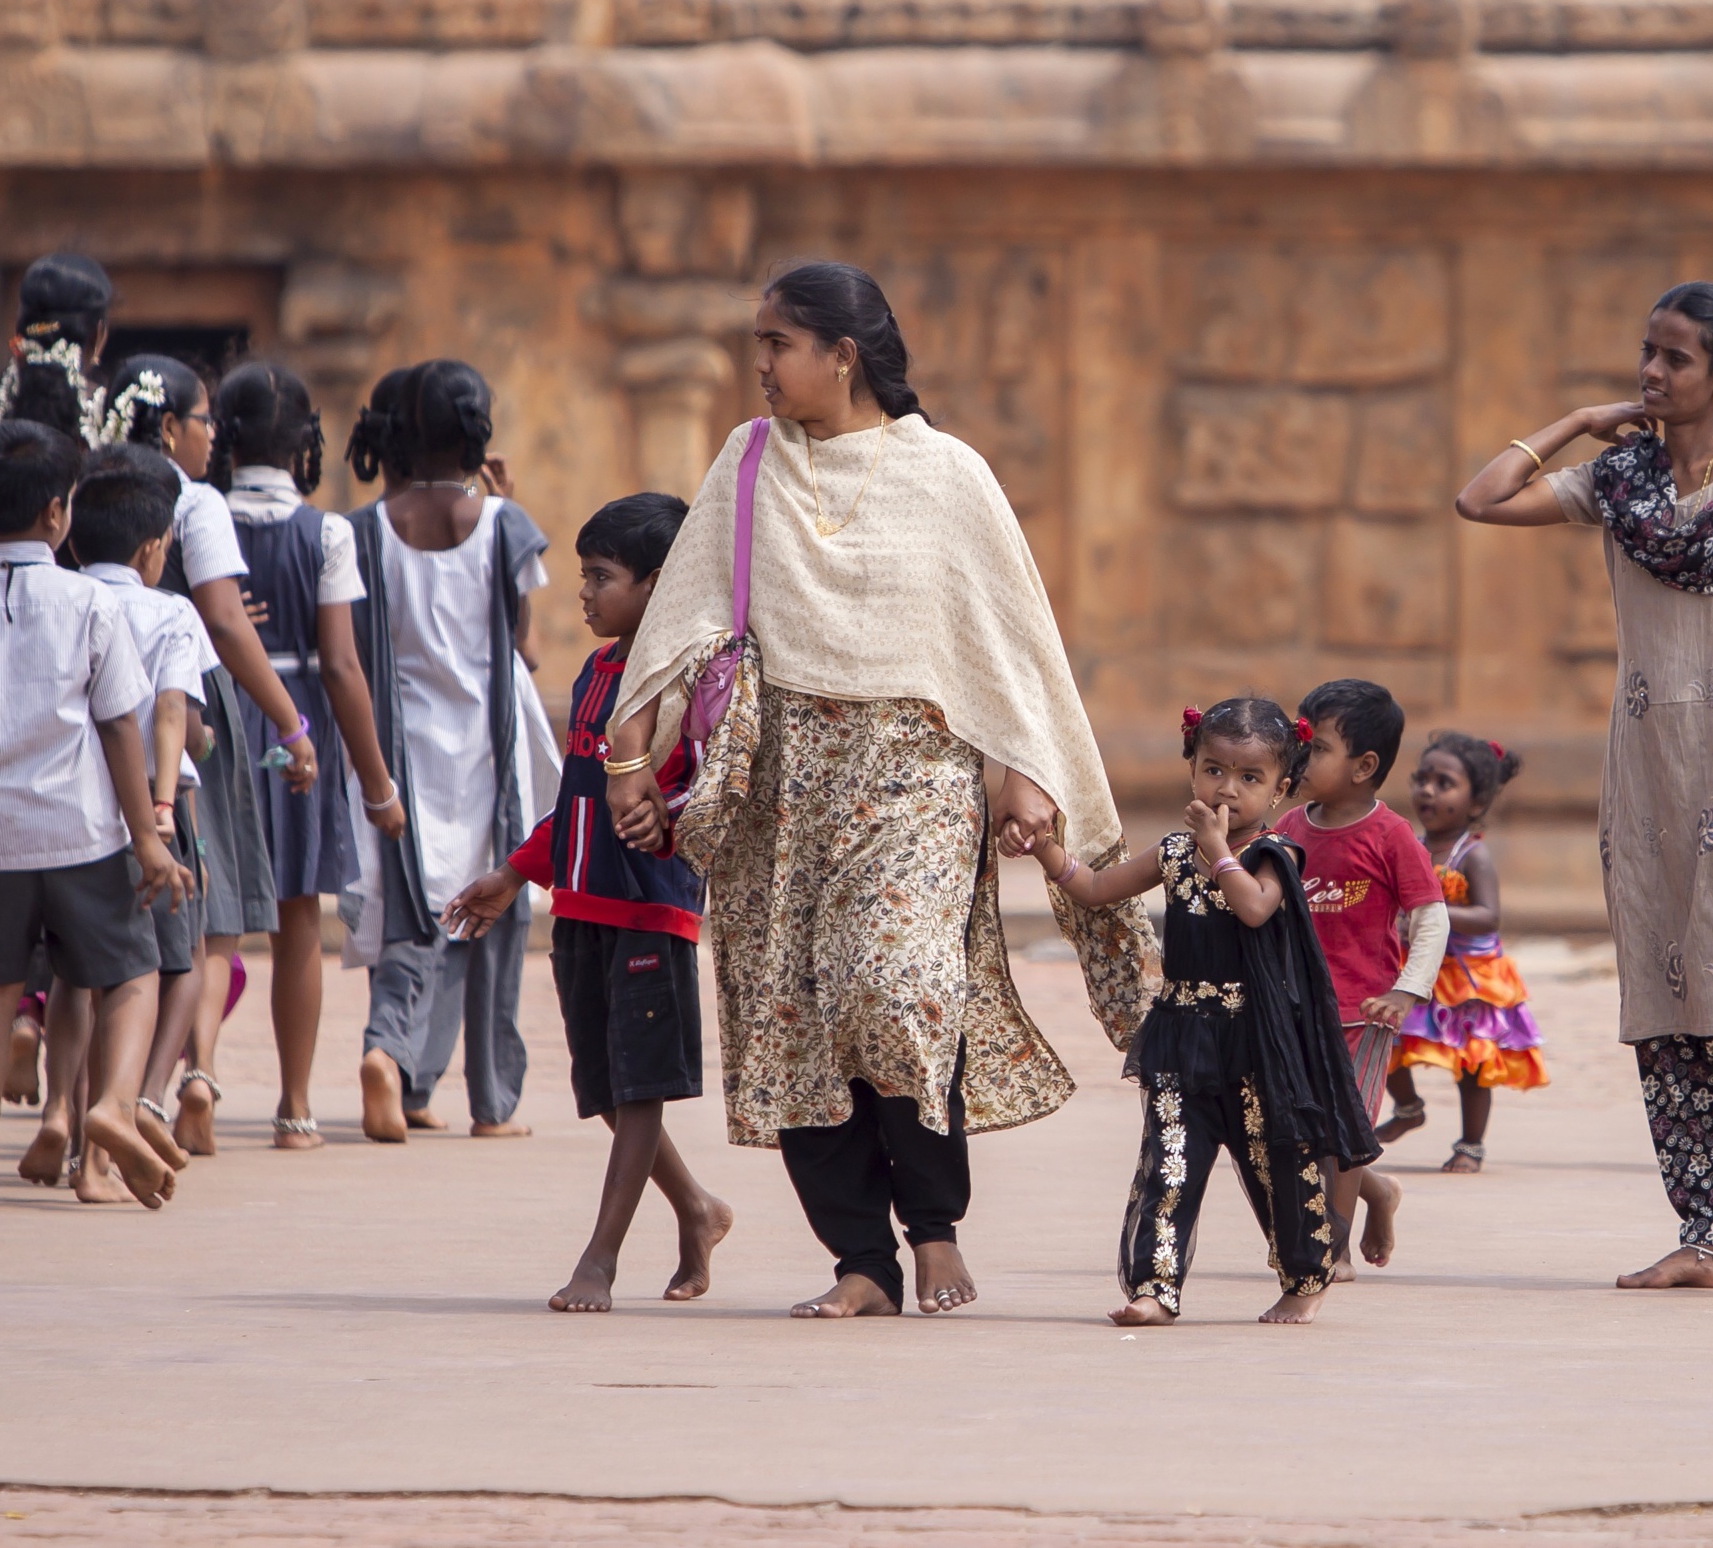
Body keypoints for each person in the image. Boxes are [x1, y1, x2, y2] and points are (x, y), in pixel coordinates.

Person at [600, 261, 1155, 1321]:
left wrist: (1021, 770)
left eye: (777, 343)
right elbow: (681, 618)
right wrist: (631, 760)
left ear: (842, 353)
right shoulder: (748, 459)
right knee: (794, 1018)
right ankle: (861, 1258)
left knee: (895, 989)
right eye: (757, 342)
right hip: (780, 785)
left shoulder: (947, 473)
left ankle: (933, 1230)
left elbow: (1008, 643)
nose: (757, 364)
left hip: (916, 777)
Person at [1455, 280, 1713, 1288]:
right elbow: (1480, 499)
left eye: (1676, 358)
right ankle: (1705, 1238)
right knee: (1661, 999)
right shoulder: (1623, 479)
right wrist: (1580, 422)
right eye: (1647, 351)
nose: (1652, 371)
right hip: (1644, 775)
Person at [443, 492, 735, 1313]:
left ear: (658, 586)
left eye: (600, 577)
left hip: (648, 909)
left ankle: (599, 1259)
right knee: (607, 1087)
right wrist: (517, 872)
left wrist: (668, 825)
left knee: (639, 1088)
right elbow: (577, 798)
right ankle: (698, 1209)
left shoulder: (691, 681)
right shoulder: (598, 671)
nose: (583, 592)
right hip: (580, 907)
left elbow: (705, 793)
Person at [1034, 698, 1382, 1326]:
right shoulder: (1172, 853)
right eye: (1214, 770)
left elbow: (1253, 908)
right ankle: (1154, 1289)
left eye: (1251, 778)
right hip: (1181, 1036)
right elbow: (1096, 889)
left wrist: (1220, 850)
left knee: (1276, 1167)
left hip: (1256, 1042)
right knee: (1169, 1165)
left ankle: (1306, 1278)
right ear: (1191, 768)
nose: (1228, 788)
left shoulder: (1275, 855)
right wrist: (1047, 852)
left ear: (1281, 790)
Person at [0, 420, 190, 1209]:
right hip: (83, 832)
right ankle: (111, 1100)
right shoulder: (91, 602)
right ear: (59, 514)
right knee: (131, 973)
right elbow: (120, 725)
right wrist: (149, 839)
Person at [106, 352, 320, 1156]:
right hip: (186, 711)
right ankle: (192, 1074)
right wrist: (292, 726)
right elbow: (228, 622)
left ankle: (101, 1089)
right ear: (169, 427)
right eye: (203, 423)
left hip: (95, 710)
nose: (212, 440)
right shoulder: (194, 501)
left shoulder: (92, 484)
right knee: (210, 918)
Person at [341, 360, 556, 1143]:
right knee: (491, 916)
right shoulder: (498, 519)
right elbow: (524, 645)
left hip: (402, 750)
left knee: (415, 915)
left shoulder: (370, 525)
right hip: (485, 751)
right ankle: (491, 1103)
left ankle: (396, 1062)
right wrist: (494, 492)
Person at [218, 361, 407, 1148]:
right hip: (297, 731)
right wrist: (376, 782)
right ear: (305, 443)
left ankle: (194, 1078)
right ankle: (296, 1107)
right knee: (297, 919)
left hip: (218, 721)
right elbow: (341, 664)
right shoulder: (327, 531)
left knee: (214, 924)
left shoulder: (198, 518)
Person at [70, 444, 214, 1179]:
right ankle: (131, 1107)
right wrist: (161, 805)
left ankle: (67, 1123)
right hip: (156, 806)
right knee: (163, 962)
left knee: (78, 976)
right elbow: (168, 712)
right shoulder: (170, 610)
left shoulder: (67, 596)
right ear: (155, 547)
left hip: (73, 807)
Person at [1277, 679, 1447, 1275]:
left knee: (1342, 1128)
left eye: (1316, 747)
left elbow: (1431, 919)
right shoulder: (1289, 829)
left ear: (1364, 765)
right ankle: (1378, 1191)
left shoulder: (1391, 836)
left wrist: (1405, 991)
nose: (1300, 759)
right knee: (1301, 1130)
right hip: (1294, 1009)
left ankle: (1333, 1246)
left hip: (1362, 1012)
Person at [1380, 730, 1547, 1172]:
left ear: (1475, 803)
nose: (1427, 791)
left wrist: (1431, 915)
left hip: (1468, 975)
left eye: (1444, 783)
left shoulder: (1474, 856)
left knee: (1473, 1061)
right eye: (1422, 779)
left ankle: (1471, 1144)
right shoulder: (1409, 845)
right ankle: (1408, 1108)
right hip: (1417, 967)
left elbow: (1489, 915)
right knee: (1386, 1035)